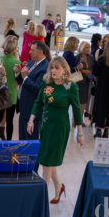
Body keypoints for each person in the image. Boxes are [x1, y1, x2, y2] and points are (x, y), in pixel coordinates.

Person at [27, 58, 84, 204]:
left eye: (57, 68)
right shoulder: (47, 84)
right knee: (48, 160)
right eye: (52, 68)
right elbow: (39, 102)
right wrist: (31, 119)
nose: (53, 71)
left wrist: (80, 132)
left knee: (47, 162)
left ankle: (41, 200)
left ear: (65, 70)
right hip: (46, 127)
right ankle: (58, 187)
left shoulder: (70, 87)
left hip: (60, 129)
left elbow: (77, 110)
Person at [17, 40, 51, 140]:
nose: (29, 52)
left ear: (40, 52)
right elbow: (22, 80)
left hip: (32, 110)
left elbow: (38, 89)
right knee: (22, 140)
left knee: (30, 142)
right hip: (23, 109)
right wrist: (18, 73)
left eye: (32, 50)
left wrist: (26, 77)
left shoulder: (45, 67)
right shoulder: (31, 62)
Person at [0, 36, 21, 141]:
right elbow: (18, 79)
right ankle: (9, 141)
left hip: (1, 92)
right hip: (12, 94)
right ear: (14, 49)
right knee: (10, 120)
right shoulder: (17, 62)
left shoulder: (0, 60)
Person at [75, 41, 95, 124]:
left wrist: (90, 73)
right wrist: (83, 70)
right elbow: (74, 68)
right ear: (82, 47)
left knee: (83, 101)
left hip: (87, 82)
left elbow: (93, 68)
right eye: (86, 47)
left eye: (89, 47)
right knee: (77, 101)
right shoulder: (77, 57)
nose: (88, 49)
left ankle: (80, 120)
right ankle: (75, 119)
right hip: (78, 81)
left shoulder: (91, 57)